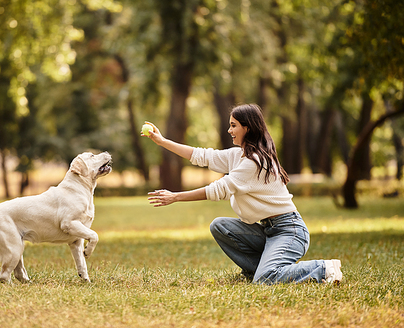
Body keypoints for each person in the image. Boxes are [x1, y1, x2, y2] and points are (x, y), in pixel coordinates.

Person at [142, 103, 342, 284]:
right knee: (220, 226)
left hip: (290, 231)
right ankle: (259, 271)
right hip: (268, 230)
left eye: (233, 125)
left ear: (247, 127)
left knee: (266, 279)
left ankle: (323, 268)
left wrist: (176, 197)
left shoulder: (254, 162)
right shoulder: (238, 155)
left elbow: (219, 189)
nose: (229, 130)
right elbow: (200, 155)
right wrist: (162, 141)